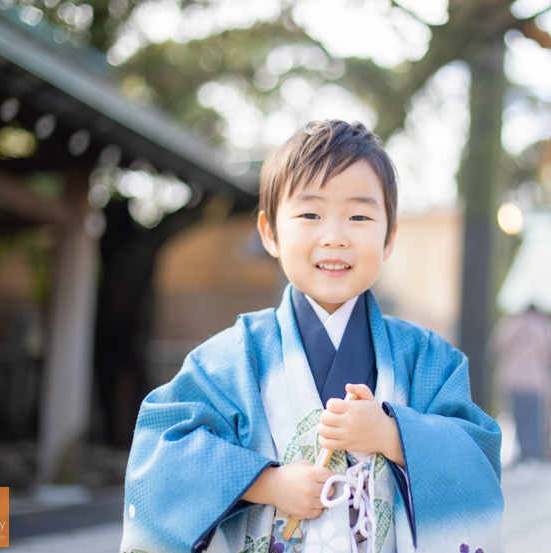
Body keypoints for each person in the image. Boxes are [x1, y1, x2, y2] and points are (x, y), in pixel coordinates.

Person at [120, 120, 505, 553]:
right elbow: (163, 452)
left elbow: (478, 457)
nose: (335, 237)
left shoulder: (430, 359)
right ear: (270, 233)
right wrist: (267, 484)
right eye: (310, 214)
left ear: (389, 237)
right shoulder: (231, 358)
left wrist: (393, 435)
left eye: (359, 216)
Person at [492, 305, 551, 461]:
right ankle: (530, 455)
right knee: (529, 421)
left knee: (521, 420)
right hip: (532, 381)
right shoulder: (541, 327)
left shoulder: (509, 324)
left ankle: (528, 454)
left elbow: (495, 347)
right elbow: (550, 352)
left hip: (516, 380)